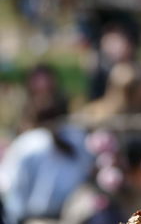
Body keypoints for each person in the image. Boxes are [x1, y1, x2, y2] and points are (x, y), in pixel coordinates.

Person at [0, 65, 92, 224]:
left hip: (39, 217)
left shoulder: (27, 143)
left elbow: (10, 188)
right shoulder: (76, 135)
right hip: (72, 217)